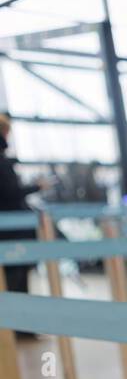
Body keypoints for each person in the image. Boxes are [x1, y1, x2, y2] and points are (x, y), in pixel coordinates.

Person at [0, 113, 43, 296]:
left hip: (9, 231)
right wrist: (35, 187)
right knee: (17, 280)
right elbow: (10, 193)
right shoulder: (2, 163)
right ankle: (21, 321)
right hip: (12, 232)